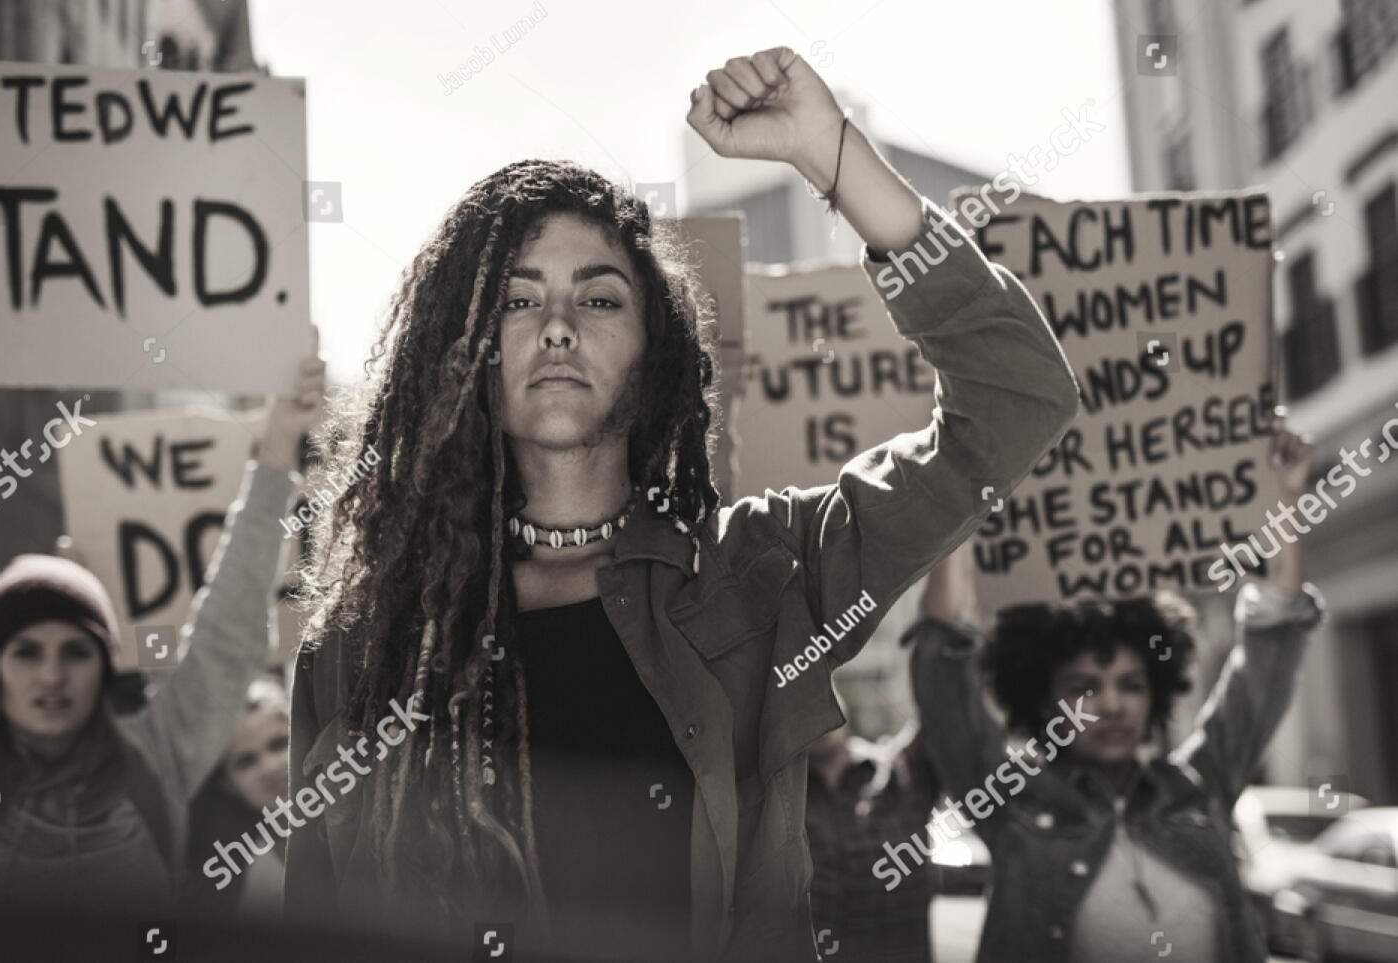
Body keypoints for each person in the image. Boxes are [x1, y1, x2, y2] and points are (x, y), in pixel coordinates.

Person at [285, 45, 1080, 963]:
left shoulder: (759, 575)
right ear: (461, 348)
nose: (557, 324)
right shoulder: (364, 641)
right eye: (514, 298)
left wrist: (831, 156)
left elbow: (1018, 393)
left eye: (600, 297)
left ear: (655, 350)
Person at [0, 348, 324, 920]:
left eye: (76, 651)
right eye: (26, 652)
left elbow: (228, 630)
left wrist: (276, 452)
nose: (52, 674)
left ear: (106, 662)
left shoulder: (156, 755)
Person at [904, 420, 1325, 963]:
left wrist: (1283, 501)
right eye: (1083, 687)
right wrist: (960, 507)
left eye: (1131, 684)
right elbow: (943, 665)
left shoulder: (1200, 787)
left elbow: (1271, 649)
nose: (1111, 704)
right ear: (1041, 699)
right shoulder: (1012, 802)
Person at [805, 689, 939, 963]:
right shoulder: (772, 802)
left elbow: (943, 711)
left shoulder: (900, 770)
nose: (810, 705)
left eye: (817, 687)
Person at [181, 673, 292, 920]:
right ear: (228, 784)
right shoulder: (237, 875)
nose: (269, 766)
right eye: (246, 761)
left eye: (279, 744)